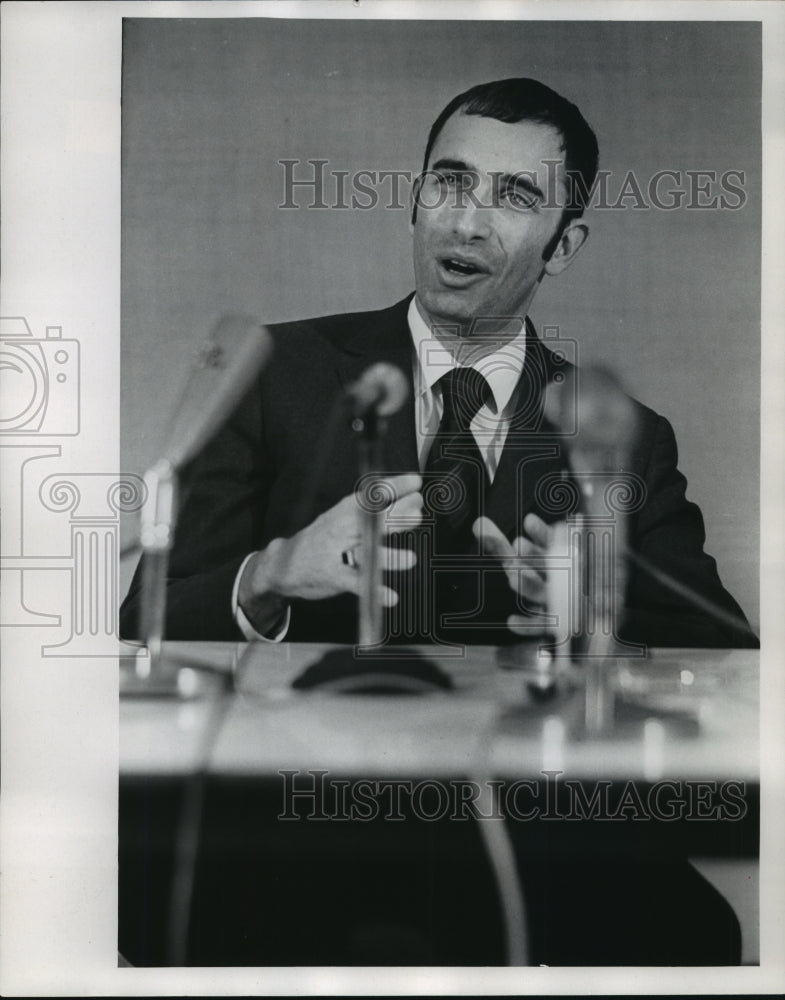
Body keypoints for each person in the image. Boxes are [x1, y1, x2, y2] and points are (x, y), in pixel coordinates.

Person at [120, 77, 756, 651]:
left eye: (515, 196)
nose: (467, 223)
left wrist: (593, 621)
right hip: (305, 774)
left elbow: (726, 651)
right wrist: (270, 574)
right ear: (415, 204)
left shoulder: (627, 437)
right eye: (450, 182)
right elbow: (145, 617)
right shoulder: (273, 372)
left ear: (562, 246)